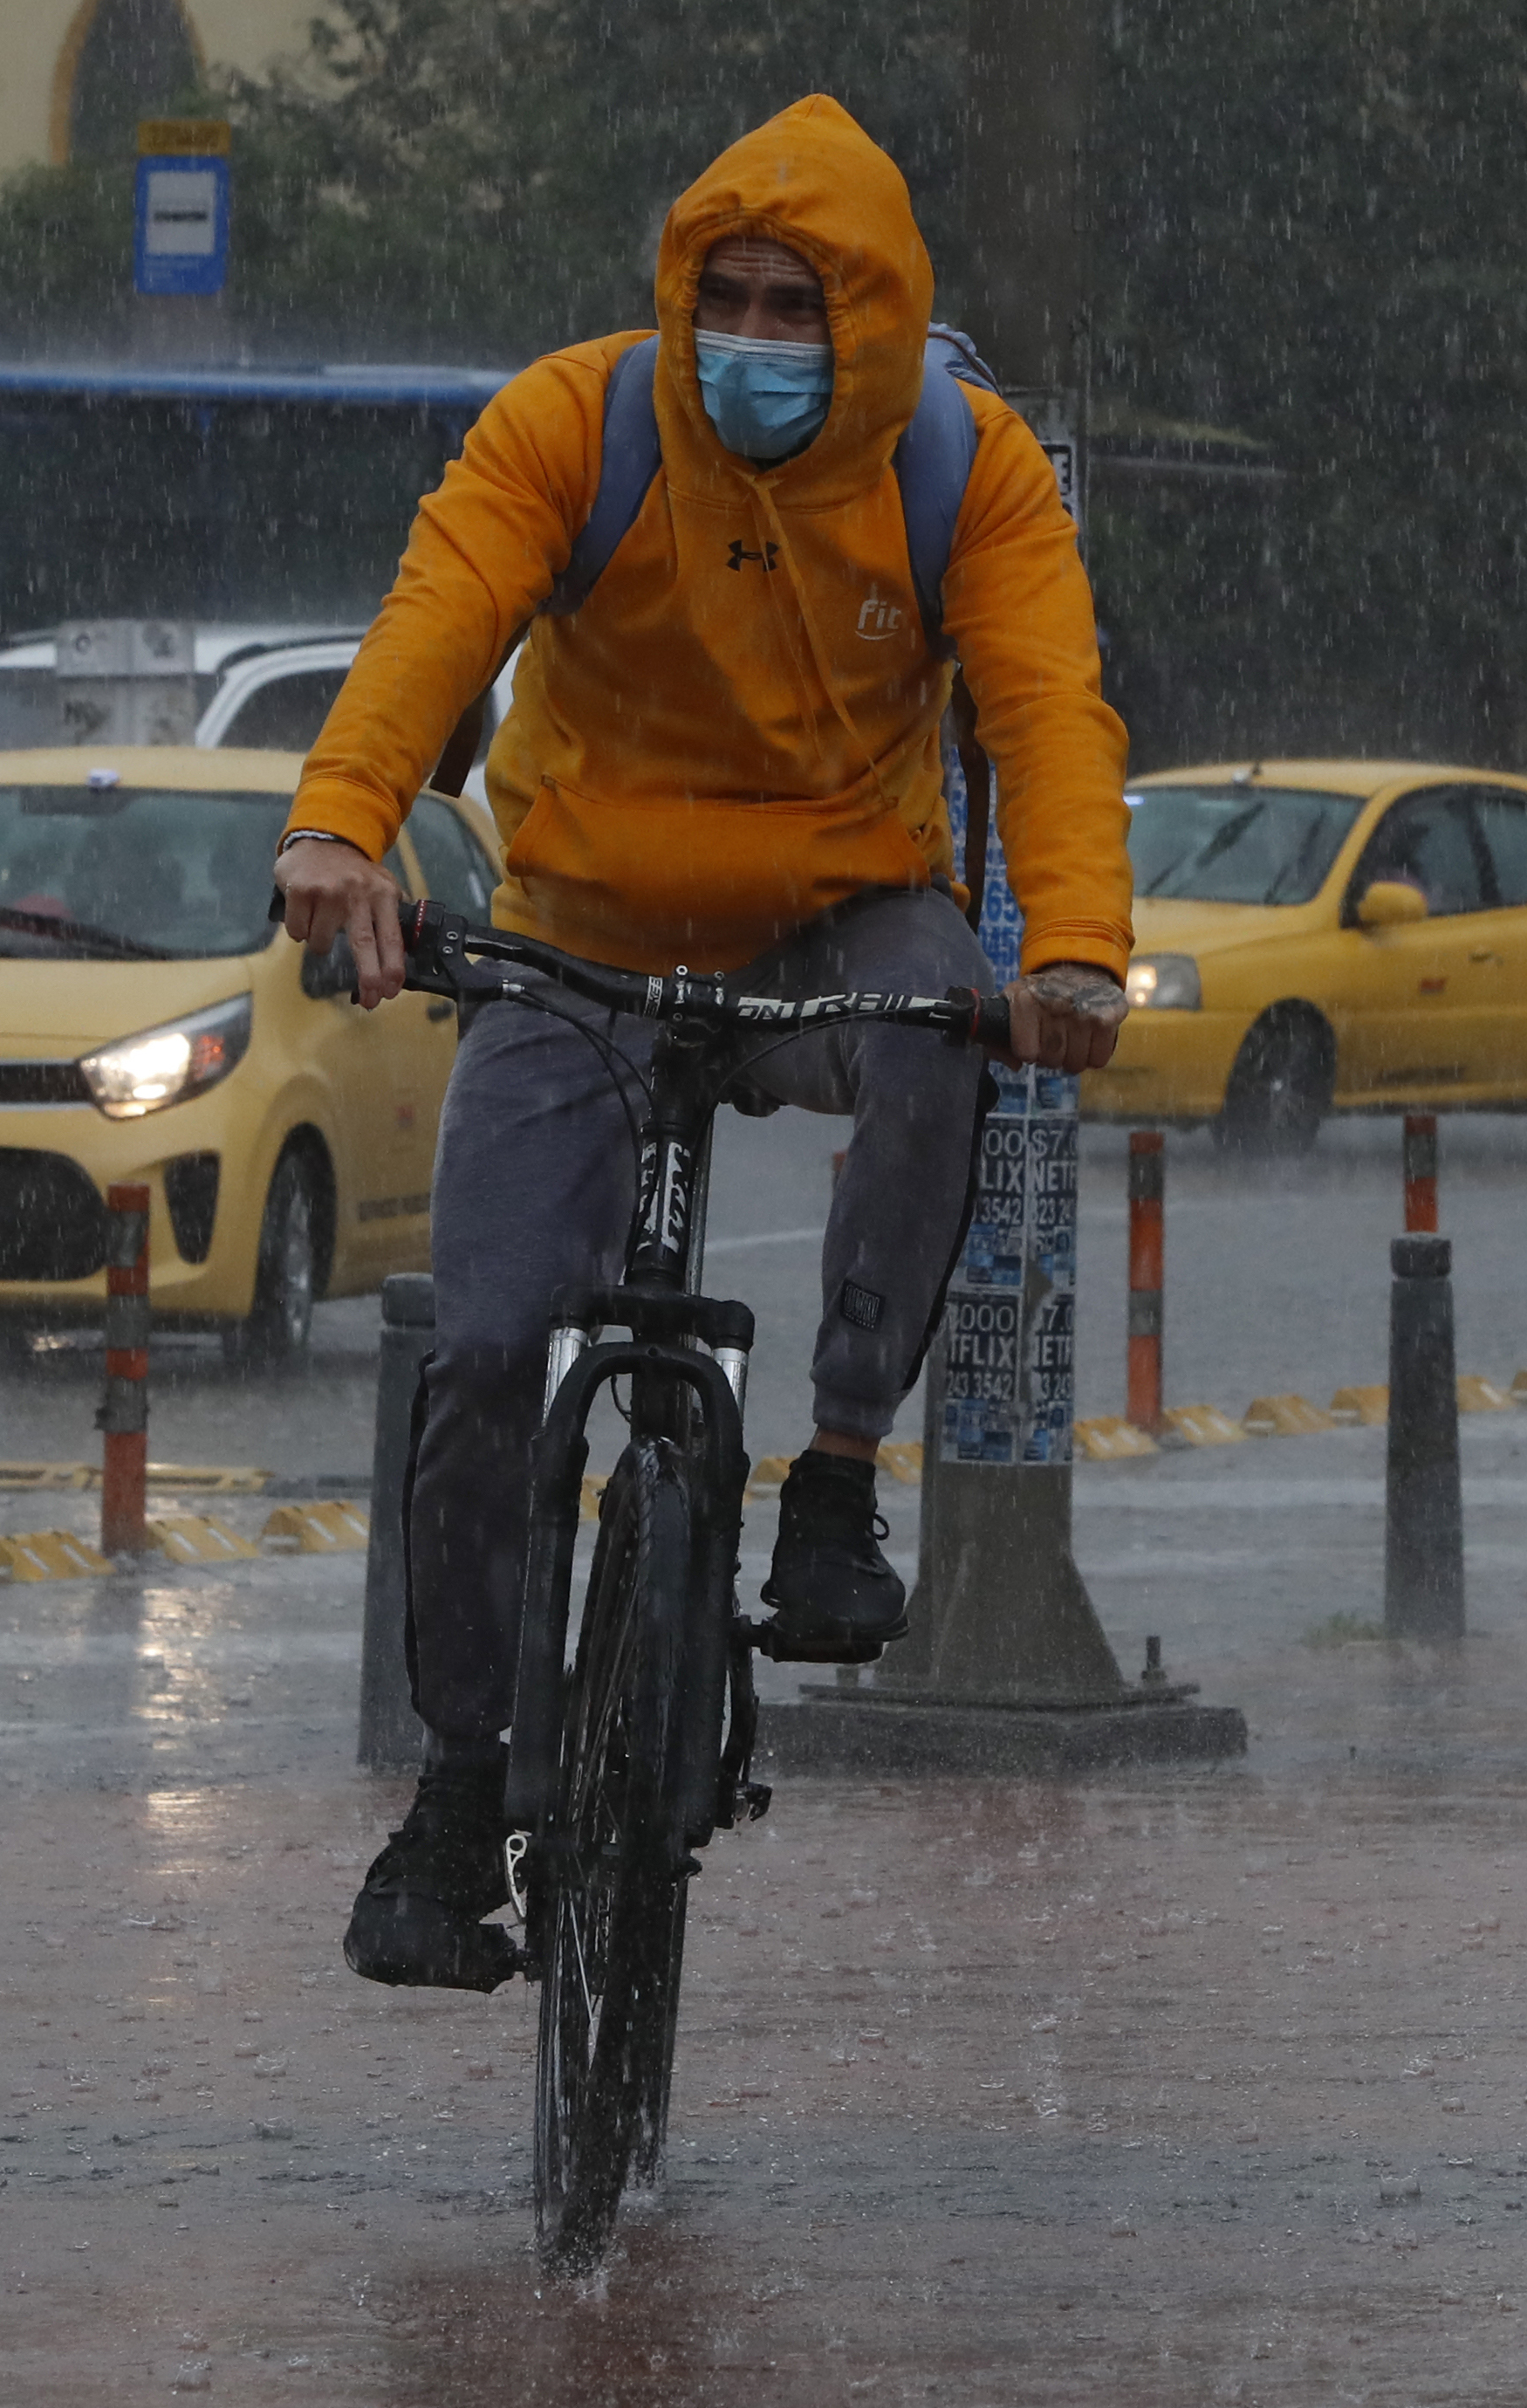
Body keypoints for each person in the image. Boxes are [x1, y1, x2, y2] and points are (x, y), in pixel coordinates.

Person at [274, 95, 1133, 1993]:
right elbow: (438, 614)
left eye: (790, 307)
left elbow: (1052, 711)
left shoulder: (959, 471)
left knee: (937, 1042)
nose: (746, 338)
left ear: (873, 326)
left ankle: (828, 1480)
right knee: (487, 1346)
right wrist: (343, 820)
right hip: (578, 930)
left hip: (839, 915)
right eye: (719, 298)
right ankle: (454, 1797)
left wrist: (1070, 951)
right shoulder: (574, 424)